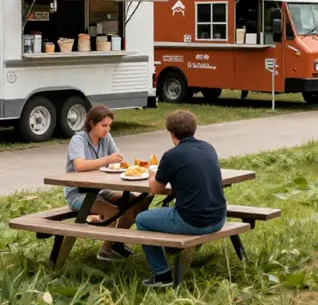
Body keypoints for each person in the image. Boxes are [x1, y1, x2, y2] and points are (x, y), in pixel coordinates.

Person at [136, 110, 227, 288]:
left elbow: (156, 189)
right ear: (194, 128)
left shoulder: (171, 155)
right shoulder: (208, 147)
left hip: (192, 221)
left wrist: (150, 174)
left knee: (141, 220)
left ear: (171, 133)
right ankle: (171, 249)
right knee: (174, 211)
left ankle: (161, 274)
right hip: (218, 218)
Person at [64, 104, 150, 262]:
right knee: (113, 211)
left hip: (101, 190)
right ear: (91, 123)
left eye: (109, 125)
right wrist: (107, 160)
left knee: (138, 200)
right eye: (104, 125)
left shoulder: (106, 138)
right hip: (78, 193)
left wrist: (117, 162)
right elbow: (80, 166)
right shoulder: (78, 140)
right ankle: (105, 251)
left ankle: (117, 242)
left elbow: (117, 159)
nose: (107, 129)